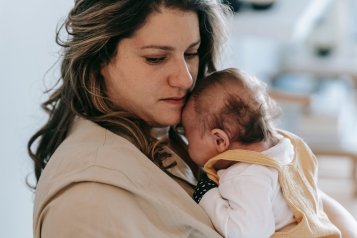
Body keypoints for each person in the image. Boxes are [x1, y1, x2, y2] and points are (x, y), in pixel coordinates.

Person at [27, 0, 357, 237]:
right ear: (99, 58)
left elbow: (309, 200)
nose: (185, 79)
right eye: (156, 58)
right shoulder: (89, 202)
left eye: (191, 53)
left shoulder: (172, 127)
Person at [181, 68, 341, 237]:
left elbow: (246, 233)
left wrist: (207, 196)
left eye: (187, 137)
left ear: (219, 140)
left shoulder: (245, 175)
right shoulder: (290, 149)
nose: (185, 142)